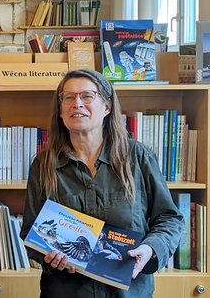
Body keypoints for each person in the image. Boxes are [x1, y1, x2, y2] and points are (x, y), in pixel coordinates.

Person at [20, 69, 184, 297]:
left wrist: (150, 249)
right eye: (68, 97)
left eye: (87, 96)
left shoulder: (138, 157)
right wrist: (48, 256)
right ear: (60, 109)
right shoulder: (43, 163)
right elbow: (30, 230)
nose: (77, 103)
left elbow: (169, 219)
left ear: (106, 107)